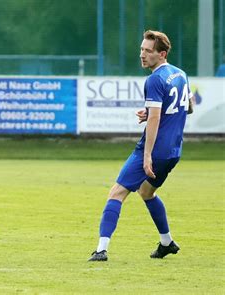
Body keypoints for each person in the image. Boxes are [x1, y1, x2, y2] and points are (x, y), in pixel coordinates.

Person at [88, 30, 192, 262]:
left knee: (116, 193)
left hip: (154, 149)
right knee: (146, 192)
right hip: (174, 151)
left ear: (162, 54)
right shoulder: (181, 74)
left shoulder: (154, 79)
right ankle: (167, 243)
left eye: (148, 51)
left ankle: (101, 250)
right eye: (141, 50)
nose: (142, 55)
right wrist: (154, 112)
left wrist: (147, 156)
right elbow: (189, 106)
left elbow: (155, 120)